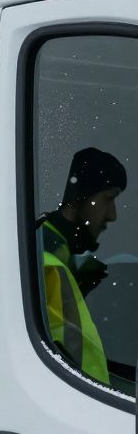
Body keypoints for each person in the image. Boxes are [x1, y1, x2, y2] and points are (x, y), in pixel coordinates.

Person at [36, 147, 126, 385]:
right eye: (108, 198)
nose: (113, 214)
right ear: (80, 196)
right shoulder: (48, 264)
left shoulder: (54, 249)